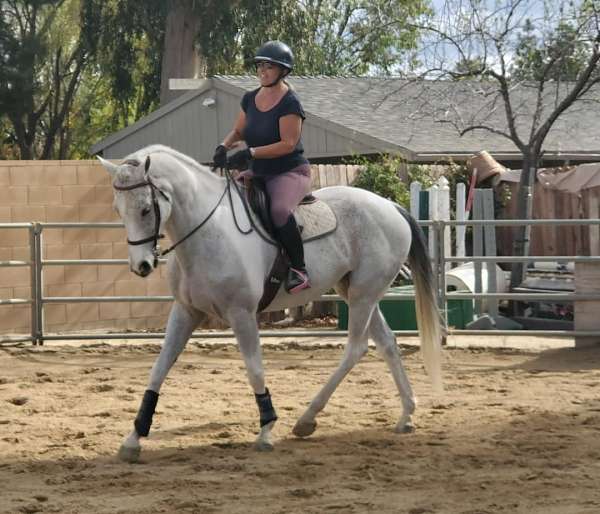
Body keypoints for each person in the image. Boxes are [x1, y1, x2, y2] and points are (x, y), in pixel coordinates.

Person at [212, 41, 312, 294]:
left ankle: (299, 270)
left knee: (279, 211)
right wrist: (224, 146)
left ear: (282, 71)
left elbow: (288, 144)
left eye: (269, 67)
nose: (262, 71)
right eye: (260, 66)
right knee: (225, 201)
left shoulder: (291, 103)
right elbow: (239, 130)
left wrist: (250, 152)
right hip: (259, 171)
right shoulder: (249, 98)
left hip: (289, 172)